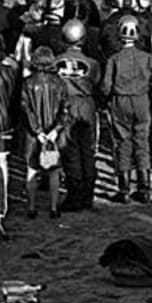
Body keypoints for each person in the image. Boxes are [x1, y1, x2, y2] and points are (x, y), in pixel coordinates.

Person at [102, 16, 152, 203]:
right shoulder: (146, 58)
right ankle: (144, 187)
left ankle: (124, 188)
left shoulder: (114, 59)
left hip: (121, 101)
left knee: (123, 143)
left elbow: (106, 86)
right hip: (142, 100)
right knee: (142, 141)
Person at [53, 19, 100, 210]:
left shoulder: (56, 61)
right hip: (87, 104)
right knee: (87, 150)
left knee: (70, 150)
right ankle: (88, 194)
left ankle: (74, 195)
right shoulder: (93, 63)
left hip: (67, 105)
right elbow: (97, 83)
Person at [20, 45, 70, 219]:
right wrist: (55, 130)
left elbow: (25, 109)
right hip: (53, 135)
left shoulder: (27, 83)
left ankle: (32, 207)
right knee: (54, 171)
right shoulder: (59, 83)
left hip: (33, 136)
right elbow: (65, 109)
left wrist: (37, 131)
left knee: (32, 170)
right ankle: (54, 207)